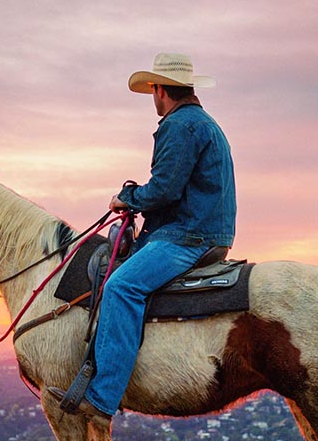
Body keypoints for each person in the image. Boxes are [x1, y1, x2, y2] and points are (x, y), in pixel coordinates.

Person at [49, 52, 237, 421]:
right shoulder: (204, 123)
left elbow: (165, 189)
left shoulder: (179, 125)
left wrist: (127, 198)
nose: (153, 98)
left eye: (153, 90)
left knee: (121, 286)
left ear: (161, 89)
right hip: (203, 230)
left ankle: (101, 400)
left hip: (187, 235)